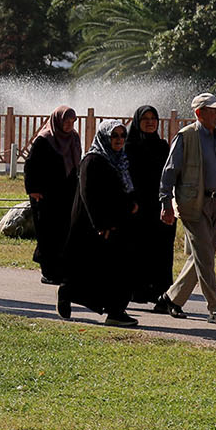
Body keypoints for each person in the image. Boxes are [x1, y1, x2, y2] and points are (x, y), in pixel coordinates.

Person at [156, 93, 216, 324]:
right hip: (193, 204)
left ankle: (171, 299)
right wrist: (166, 204)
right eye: (214, 110)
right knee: (205, 258)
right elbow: (169, 172)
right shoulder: (186, 137)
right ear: (199, 113)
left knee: (202, 257)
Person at [58, 119, 140, 326]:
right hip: (96, 226)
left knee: (115, 269)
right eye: (114, 135)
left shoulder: (120, 159)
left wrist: (131, 204)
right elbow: (89, 195)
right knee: (102, 269)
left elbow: (123, 187)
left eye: (122, 135)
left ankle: (114, 310)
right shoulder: (93, 160)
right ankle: (73, 294)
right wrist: (101, 224)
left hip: (117, 222)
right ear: (105, 137)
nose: (119, 140)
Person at [24, 106, 81, 285]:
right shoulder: (45, 139)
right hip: (45, 195)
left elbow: (77, 163)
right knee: (47, 232)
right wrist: (33, 189)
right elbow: (30, 165)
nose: (69, 125)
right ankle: (48, 271)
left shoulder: (74, 137)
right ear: (58, 120)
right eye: (66, 121)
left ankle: (61, 270)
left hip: (67, 192)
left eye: (72, 122)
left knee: (64, 231)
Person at [123, 105, 173, 304]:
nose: (150, 122)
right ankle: (137, 291)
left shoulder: (162, 146)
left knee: (160, 251)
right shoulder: (128, 146)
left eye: (153, 118)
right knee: (137, 249)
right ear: (137, 121)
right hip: (136, 207)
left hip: (159, 205)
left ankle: (161, 294)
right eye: (145, 118)